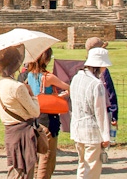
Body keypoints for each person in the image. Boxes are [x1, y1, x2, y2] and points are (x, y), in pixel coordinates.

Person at [0, 45, 40, 179]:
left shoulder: (1, 83)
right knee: (23, 172)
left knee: (16, 171)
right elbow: (35, 111)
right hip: (22, 133)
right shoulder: (17, 87)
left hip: (11, 132)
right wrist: (32, 95)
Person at [25, 48, 69, 179]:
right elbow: (68, 87)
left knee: (38, 157)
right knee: (47, 158)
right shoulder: (48, 77)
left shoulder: (30, 75)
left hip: (35, 116)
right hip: (48, 119)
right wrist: (62, 95)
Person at [70, 47, 112, 179]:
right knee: (92, 170)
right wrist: (106, 136)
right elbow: (100, 113)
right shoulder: (96, 84)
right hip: (91, 132)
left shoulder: (76, 78)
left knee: (82, 166)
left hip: (78, 128)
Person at [85, 37, 118, 133]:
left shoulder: (82, 70)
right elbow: (110, 93)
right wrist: (113, 114)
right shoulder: (103, 71)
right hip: (102, 111)